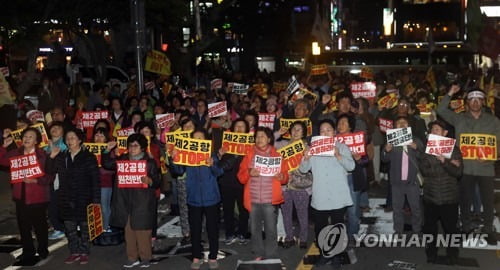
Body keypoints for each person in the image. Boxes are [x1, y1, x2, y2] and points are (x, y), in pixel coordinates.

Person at [437, 86, 500, 245]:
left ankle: (488, 229)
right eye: (472, 99)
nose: (475, 102)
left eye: (478, 99)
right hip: (465, 168)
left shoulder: (493, 121)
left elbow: (498, 143)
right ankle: (466, 226)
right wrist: (450, 92)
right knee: (465, 200)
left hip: (486, 168)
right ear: (467, 103)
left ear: (483, 102)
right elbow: (441, 109)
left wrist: (492, 156)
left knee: (487, 201)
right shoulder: (459, 118)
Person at [299, 119, 354, 268]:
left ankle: (336, 255)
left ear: (334, 132)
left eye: (328, 130)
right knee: (321, 228)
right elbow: (303, 169)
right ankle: (325, 254)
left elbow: (351, 166)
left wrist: (339, 156)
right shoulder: (313, 148)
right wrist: (306, 158)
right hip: (321, 195)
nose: (325, 133)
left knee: (338, 226)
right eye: (322, 131)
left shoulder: (342, 147)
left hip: (338, 195)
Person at [102, 134, 160, 268]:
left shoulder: (149, 163)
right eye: (130, 145)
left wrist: (150, 181)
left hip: (143, 202)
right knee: (129, 231)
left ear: (143, 148)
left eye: (136, 145)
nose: (132, 148)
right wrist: (106, 151)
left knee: (143, 231)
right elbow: (107, 164)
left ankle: (145, 257)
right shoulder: (123, 160)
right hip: (125, 201)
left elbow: (157, 181)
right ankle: (132, 257)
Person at [169, 128, 224, 270]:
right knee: (195, 229)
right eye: (195, 139)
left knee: (212, 229)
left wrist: (212, 164)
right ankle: (196, 256)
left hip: (211, 198)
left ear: (206, 141)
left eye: (201, 139)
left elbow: (219, 172)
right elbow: (178, 171)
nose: (198, 141)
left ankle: (212, 256)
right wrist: (174, 158)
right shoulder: (186, 155)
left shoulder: (212, 155)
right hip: (193, 198)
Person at [46, 128, 100, 265]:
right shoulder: (62, 156)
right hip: (66, 197)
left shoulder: (88, 156)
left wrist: (96, 200)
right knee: (70, 229)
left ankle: (84, 252)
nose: (69, 141)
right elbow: (50, 171)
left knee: (85, 228)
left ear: (80, 140)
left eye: (73, 138)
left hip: (84, 197)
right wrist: (51, 157)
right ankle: (74, 251)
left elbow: (95, 179)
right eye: (68, 138)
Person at [0, 127, 51, 266]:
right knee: (23, 226)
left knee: (40, 226)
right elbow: (2, 161)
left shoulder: (43, 155)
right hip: (20, 195)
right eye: (25, 136)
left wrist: (36, 180)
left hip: (38, 197)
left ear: (36, 141)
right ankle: (28, 250)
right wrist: (3, 147)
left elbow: (50, 177)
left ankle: (43, 250)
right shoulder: (15, 153)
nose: (27, 139)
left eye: (30, 137)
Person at [238, 127, 289, 260]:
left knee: (271, 230)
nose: (259, 139)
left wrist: (281, 177)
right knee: (255, 229)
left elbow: (285, 177)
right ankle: (258, 253)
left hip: (270, 200)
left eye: (262, 136)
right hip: (253, 199)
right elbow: (240, 176)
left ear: (269, 139)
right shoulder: (249, 155)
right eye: (257, 136)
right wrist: (249, 173)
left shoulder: (277, 155)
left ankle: (271, 254)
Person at [419, 120, 463, 265]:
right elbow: (425, 170)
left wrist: (445, 161)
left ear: (445, 133)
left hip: (449, 197)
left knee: (451, 229)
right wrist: (445, 162)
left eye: (437, 130)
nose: (434, 132)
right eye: (432, 130)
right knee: (430, 228)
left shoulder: (454, 149)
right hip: (430, 196)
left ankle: (453, 254)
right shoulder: (426, 149)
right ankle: (431, 253)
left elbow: (458, 172)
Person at [381, 116, 423, 234]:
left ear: (408, 126)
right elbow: (384, 159)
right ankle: (398, 231)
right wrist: (386, 150)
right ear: (395, 126)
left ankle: (417, 230)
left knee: (416, 209)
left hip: (412, 182)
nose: (402, 124)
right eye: (399, 123)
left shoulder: (416, 139)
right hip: (396, 182)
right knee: (397, 209)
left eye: (405, 122)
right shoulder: (391, 141)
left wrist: (416, 148)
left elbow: (424, 157)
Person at [275, 121, 311, 249]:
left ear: (304, 133)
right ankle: (289, 237)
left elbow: (310, 168)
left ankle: (303, 238)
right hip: (285, 186)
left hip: (301, 186)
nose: (295, 132)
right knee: (286, 213)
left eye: (299, 130)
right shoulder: (283, 144)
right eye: (294, 129)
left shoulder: (307, 147)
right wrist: (278, 133)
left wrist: (309, 190)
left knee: (302, 213)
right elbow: (269, 143)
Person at [218, 119, 250, 245]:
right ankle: (229, 233)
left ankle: (242, 233)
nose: (239, 129)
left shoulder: (250, 145)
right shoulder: (226, 144)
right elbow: (219, 165)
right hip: (227, 181)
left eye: (242, 126)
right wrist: (220, 155)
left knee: (243, 209)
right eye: (237, 126)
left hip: (243, 182)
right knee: (228, 209)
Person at [44, 121, 68, 240]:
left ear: (63, 131)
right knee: (51, 202)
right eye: (53, 127)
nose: (54, 129)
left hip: (59, 177)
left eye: (58, 128)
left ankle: (60, 228)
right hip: (46, 177)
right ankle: (58, 226)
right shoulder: (45, 143)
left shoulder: (65, 143)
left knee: (55, 202)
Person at [92, 127, 115, 231]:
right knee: (93, 207)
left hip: (105, 183)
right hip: (91, 183)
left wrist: (99, 168)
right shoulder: (89, 149)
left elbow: (112, 169)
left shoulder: (110, 150)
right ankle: (96, 228)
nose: (98, 138)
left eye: (102, 136)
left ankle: (106, 227)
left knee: (104, 206)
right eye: (96, 135)